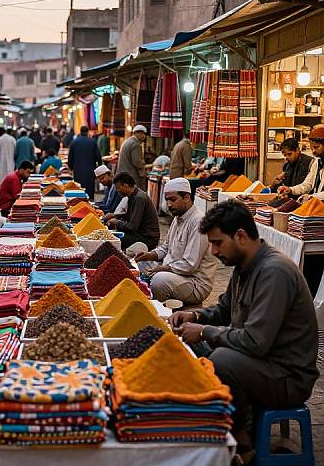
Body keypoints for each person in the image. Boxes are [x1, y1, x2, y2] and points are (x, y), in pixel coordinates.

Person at [169, 200, 318, 459]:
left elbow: (255, 341)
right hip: (262, 362)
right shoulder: (243, 265)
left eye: (217, 243)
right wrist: (193, 315)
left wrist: (204, 331)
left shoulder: (274, 272)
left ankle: (242, 439)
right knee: (191, 346)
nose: (213, 251)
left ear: (240, 236)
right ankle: (219, 417)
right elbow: (224, 310)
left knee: (221, 360)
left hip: (287, 375)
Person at [136, 178, 216, 304]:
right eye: (167, 200)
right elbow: (166, 248)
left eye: (173, 200)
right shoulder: (177, 217)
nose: (168, 205)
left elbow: (190, 265)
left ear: (186, 197)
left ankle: (158, 308)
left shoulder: (198, 222)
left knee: (159, 280)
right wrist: (149, 255)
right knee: (139, 264)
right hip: (174, 272)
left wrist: (164, 268)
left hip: (194, 282)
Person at [107, 171, 160, 250]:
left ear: (125, 185)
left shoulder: (139, 198)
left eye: (118, 188)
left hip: (147, 238)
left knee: (111, 241)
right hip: (139, 234)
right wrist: (114, 216)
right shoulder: (133, 195)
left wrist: (116, 222)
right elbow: (130, 216)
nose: (117, 191)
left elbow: (132, 226)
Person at [279, 124, 324, 201]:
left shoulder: (307, 162)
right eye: (311, 147)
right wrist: (290, 190)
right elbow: (307, 185)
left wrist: (312, 197)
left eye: (316, 147)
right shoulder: (317, 162)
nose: (313, 151)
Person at [68, 125, 102, 199]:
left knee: (79, 190)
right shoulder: (93, 142)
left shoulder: (74, 142)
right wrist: (99, 169)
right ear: (87, 132)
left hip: (78, 170)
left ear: (80, 132)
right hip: (90, 170)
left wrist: (71, 168)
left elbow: (70, 158)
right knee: (89, 191)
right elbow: (98, 157)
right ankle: (90, 206)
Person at [116, 124, 148, 191]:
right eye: (143, 134)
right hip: (130, 175)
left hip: (123, 174)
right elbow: (136, 162)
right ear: (138, 133)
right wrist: (143, 167)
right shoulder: (135, 144)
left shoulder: (127, 141)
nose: (144, 136)